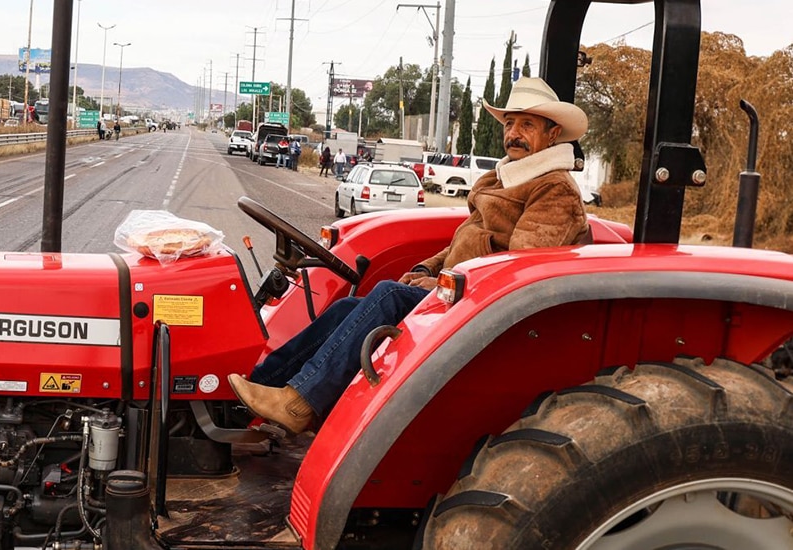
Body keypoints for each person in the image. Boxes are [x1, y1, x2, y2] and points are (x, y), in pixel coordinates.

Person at [228, 76, 592, 435]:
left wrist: (441, 282)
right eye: (510, 123)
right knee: (345, 308)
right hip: (457, 290)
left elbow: (516, 267)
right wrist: (426, 267)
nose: (514, 133)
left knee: (389, 294)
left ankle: (299, 403)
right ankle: (249, 398)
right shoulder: (503, 180)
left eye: (527, 125)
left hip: (486, 303)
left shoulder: (554, 190)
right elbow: (465, 241)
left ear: (553, 134)